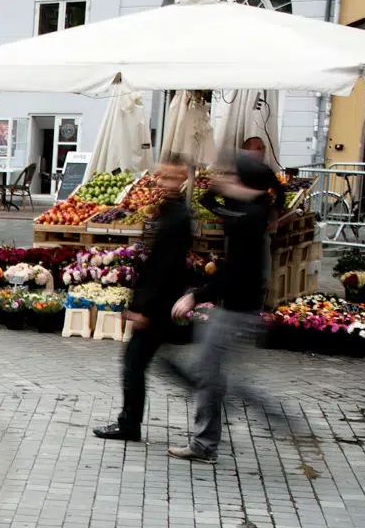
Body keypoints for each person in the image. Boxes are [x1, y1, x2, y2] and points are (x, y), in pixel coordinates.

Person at [166, 154, 280, 464]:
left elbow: (235, 272)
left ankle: (207, 443)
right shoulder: (248, 211)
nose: (225, 179)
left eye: (232, 176)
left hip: (236, 311)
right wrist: (217, 185)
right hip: (237, 309)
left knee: (209, 375)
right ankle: (214, 432)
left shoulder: (250, 219)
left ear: (245, 184)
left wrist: (196, 296)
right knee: (214, 375)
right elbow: (210, 203)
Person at [94, 154, 192, 443]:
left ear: (183, 178)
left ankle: (130, 424)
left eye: (170, 176)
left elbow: (165, 268)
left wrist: (143, 309)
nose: (162, 181)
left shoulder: (178, 218)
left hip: (158, 306)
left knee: (134, 363)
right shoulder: (169, 212)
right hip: (160, 304)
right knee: (143, 361)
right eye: (161, 175)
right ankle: (203, 394)